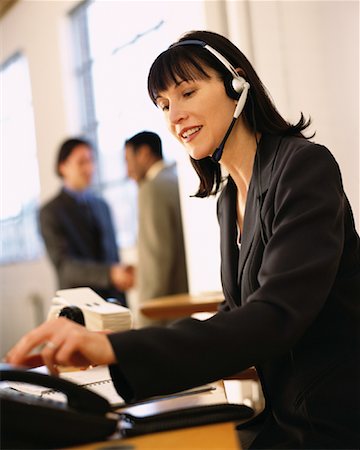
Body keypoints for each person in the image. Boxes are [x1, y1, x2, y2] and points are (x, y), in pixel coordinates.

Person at [7, 31, 360, 449]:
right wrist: (122, 363)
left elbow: (273, 317)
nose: (175, 115)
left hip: (329, 420)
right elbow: (235, 316)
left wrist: (117, 348)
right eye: (164, 105)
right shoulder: (229, 197)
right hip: (281, 416)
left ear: (237, 83)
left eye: (188, 92)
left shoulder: (304, 167)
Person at [39, 138, 134, 306]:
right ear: (63, 167)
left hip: (113, 302)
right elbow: (64, 266)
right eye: (81, 162)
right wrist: (109, 274)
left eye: (91, 161)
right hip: (79, 304)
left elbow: (113, 254)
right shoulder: (50, 212)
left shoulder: (102, 205)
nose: (89, 168)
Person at [124, 131, 188, 326]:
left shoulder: (151, 189)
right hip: (185, 305)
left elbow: (156, 261)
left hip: (165, 314)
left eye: (128, 160)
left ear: (143, 153)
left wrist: (144, 319)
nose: (127, 171)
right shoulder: (176, 179)